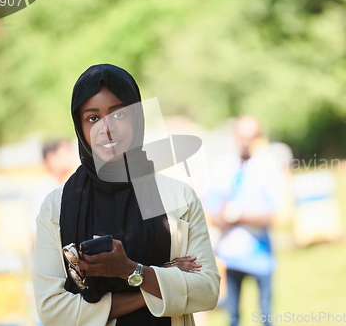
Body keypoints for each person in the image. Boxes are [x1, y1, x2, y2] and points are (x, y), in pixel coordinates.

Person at [33, 64, 220, 326]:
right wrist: (152, 284)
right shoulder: (59, 205)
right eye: (93, 118)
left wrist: (131, 270)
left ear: (137, 118)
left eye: (118, 114)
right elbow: (53, 311)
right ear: (80, 127)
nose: (106, 128)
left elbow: (207, 291)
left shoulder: (176, 197)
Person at [204, 116, 281, 326]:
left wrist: (238, 214)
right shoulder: (222, 166)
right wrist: (227, 216)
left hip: (260, 255)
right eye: (242, 137)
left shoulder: (267, 166)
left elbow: (274, 215)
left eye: (251, 137)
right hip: (230, 256)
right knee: (233, 315)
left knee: (265, 314)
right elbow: (212, 210)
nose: (246, 142)